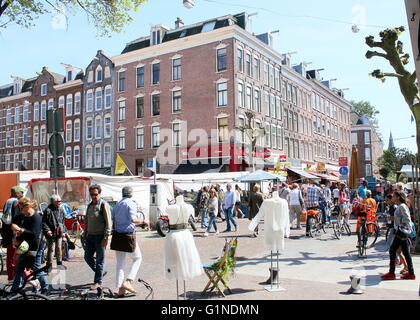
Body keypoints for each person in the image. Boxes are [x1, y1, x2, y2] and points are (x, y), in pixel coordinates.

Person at [111, 186, 147, 297]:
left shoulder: (117, 205)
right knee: (137, 258)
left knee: (120, 263)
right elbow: (133, 219)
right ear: (131, 194)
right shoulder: (131, 203)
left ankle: (121, 289)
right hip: (128, 236)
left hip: (117, 235)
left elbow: (113, 219)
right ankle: (128, 281)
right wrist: (144, 222)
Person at [381, 191, 416, 280]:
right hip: (403, 230)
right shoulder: (402, 206)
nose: (392, 197)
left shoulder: (402, 206)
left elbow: (407, 218)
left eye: (393, 196)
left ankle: (392, 273)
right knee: (406, 253)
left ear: (398, 197)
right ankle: (411, 273)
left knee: (392, 250)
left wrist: (396, 221)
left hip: (402, 231)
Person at [83, 184, 112, 290]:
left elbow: (109, 222)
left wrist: (106, 237)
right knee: (87, 257)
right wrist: (84, 234)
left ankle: (98, 281)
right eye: (91, 194)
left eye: (95, 194)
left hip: (100, 237)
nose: (93, 196)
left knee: (100, 260)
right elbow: (87, 221)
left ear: (100, 193)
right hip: (90, 236)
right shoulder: (90, 205)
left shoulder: (104, 205)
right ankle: (101, 272)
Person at [10, 198, 43, 292]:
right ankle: (15, 289)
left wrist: (20, 229)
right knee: (19, 267)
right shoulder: (26, 216)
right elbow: (26, 231)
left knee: (36, 268)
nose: (21, 210)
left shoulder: (36, 217)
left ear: (27, 207)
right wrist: (19, 237)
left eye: (21, 208)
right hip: (26, 246)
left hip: (35, 247)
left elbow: (34, 234)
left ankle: (44, 287)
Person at [1, 186, 25, 283]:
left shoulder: (7, 202)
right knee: (16, 256)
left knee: (10, 256)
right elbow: (16, 219)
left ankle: (11, 277)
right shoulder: (16, 203)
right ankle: (15, 277)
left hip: (7, 233)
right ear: (17, 193)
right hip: (14, 234)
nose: (23, 194)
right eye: (21, 192)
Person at [42, 195, 66, 269]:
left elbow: (62, 221)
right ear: (53, 202)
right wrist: (47, 230)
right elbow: (44, 222)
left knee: (59, 247)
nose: (60, 202)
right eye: (58, 201)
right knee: (51, 248)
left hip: (59, 232)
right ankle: (49, 265)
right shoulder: (47, 210)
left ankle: (59, 264)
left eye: (60, 201)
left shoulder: (61, 209)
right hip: (51, 232)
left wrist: (64, 231)